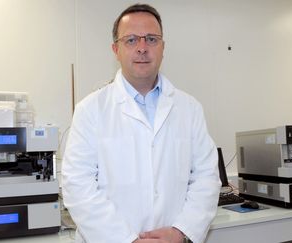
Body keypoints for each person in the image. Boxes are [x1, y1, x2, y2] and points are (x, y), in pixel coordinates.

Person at [62, 3, 221, 243]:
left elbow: (207, 178)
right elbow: (78, 186)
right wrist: (128, 240)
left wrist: (182, 232)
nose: (142, 48)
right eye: (131, 40)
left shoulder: (189, 108)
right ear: (116, 49)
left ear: (163, 47)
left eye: (151, 39)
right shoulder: (90, 110)